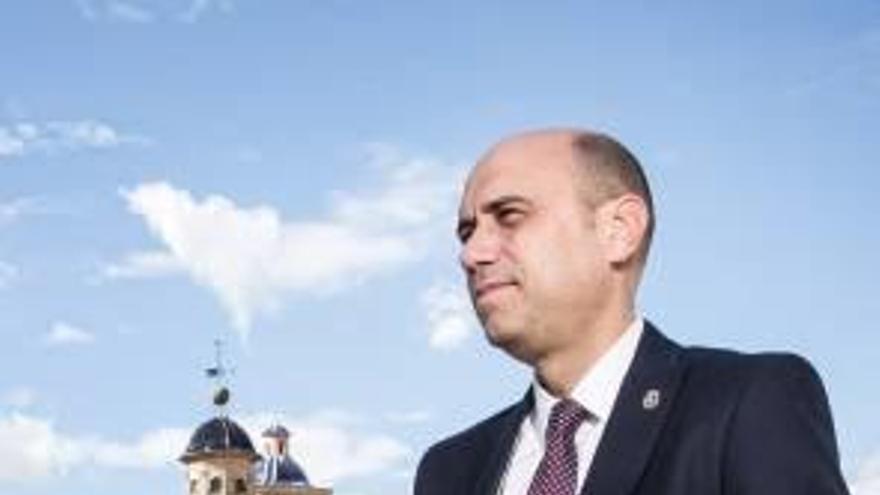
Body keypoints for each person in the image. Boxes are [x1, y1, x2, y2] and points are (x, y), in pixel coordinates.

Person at [414, 129, 849, 495]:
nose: (472, 254)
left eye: (509, 216)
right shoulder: (448, 471)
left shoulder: (748, 401)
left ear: (619, 231)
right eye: (466, 232)